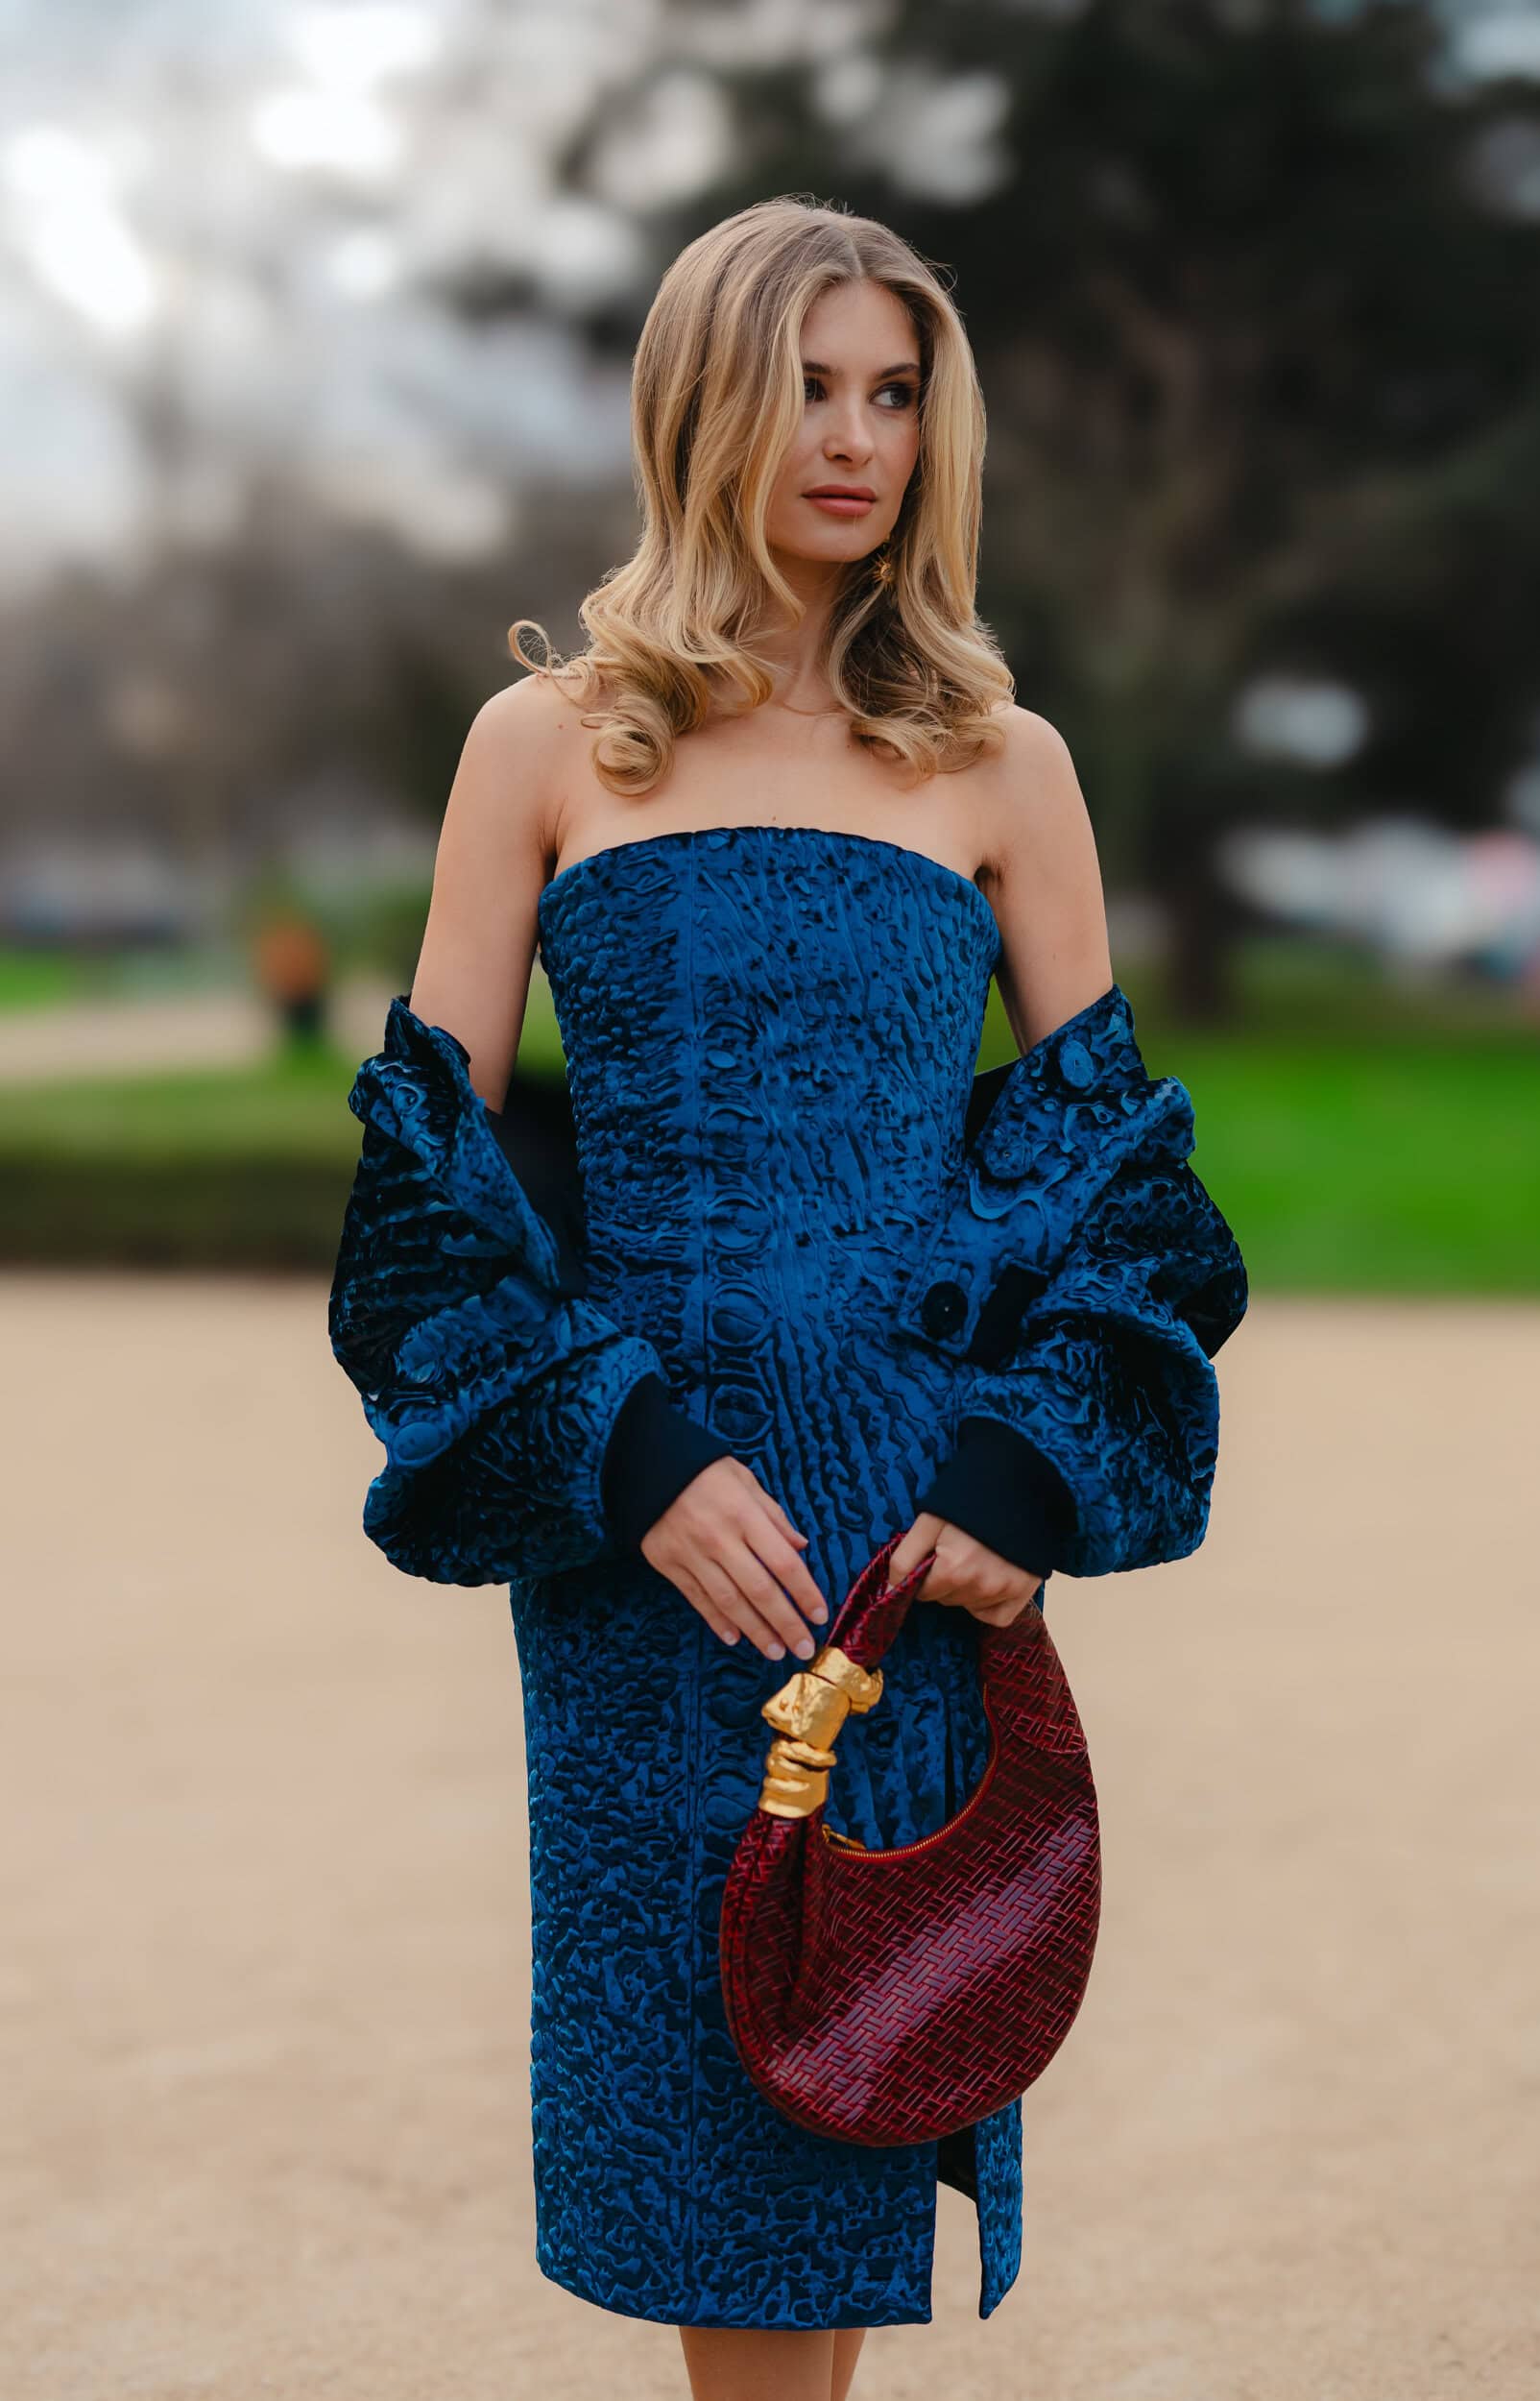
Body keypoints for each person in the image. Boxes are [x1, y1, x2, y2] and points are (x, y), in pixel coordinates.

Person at [328, 197, 1247, 2401]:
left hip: (901, 1546)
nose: (857, 439)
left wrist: (1022, 1477)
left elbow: (1127, 1196)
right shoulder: (546, 746)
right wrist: (627, 1451)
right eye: (810, 385)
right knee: (707, 2137)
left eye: (896, 391)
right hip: (652, 1544)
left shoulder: (1004, 768)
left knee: (853, 2067)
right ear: (702, 401)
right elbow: (423, 1188)